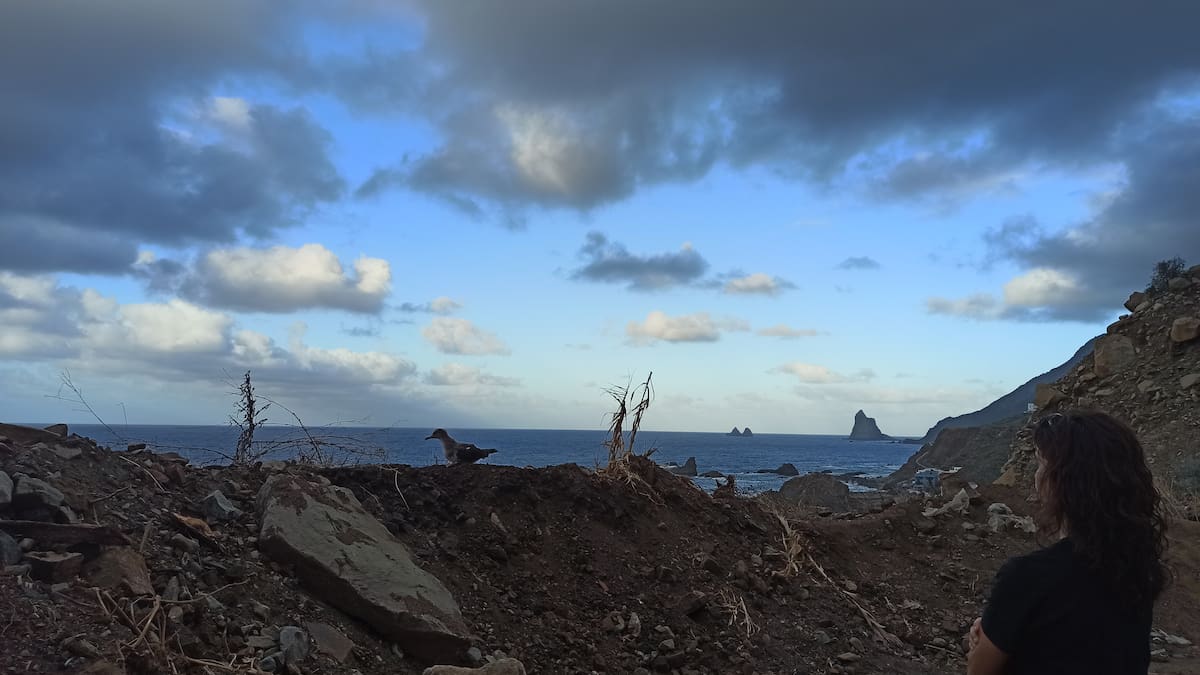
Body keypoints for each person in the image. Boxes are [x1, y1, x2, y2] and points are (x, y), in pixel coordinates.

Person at [966, 411, 1169, 675]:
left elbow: (979, 671)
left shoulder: (1027, 577)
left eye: (1041, 465)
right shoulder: (1138, 569)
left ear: (1062, 481)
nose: (1036, 477)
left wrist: (981, 642)